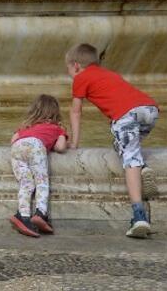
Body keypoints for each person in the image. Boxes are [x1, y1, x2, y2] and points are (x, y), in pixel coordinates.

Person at [66, 43, 160, 238]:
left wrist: (74, 143)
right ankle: (143, 167)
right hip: (149, 110)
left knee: (129, 159)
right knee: (123, 146)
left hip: (125, 116)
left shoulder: (80, 77)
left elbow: (75, 111)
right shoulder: (109, 73)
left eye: (68, 70)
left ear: (75, 66)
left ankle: (139, 216)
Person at [8, 94, 67, 237]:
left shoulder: (26, 127)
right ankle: (40, 213)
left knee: (26, 183)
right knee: (41, 181)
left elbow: (13, 140)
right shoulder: (57, 128)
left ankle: (23, 216)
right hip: (36, 146)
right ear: (56, 113)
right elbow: (60, 147)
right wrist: (62, 139)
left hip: (17, 147)